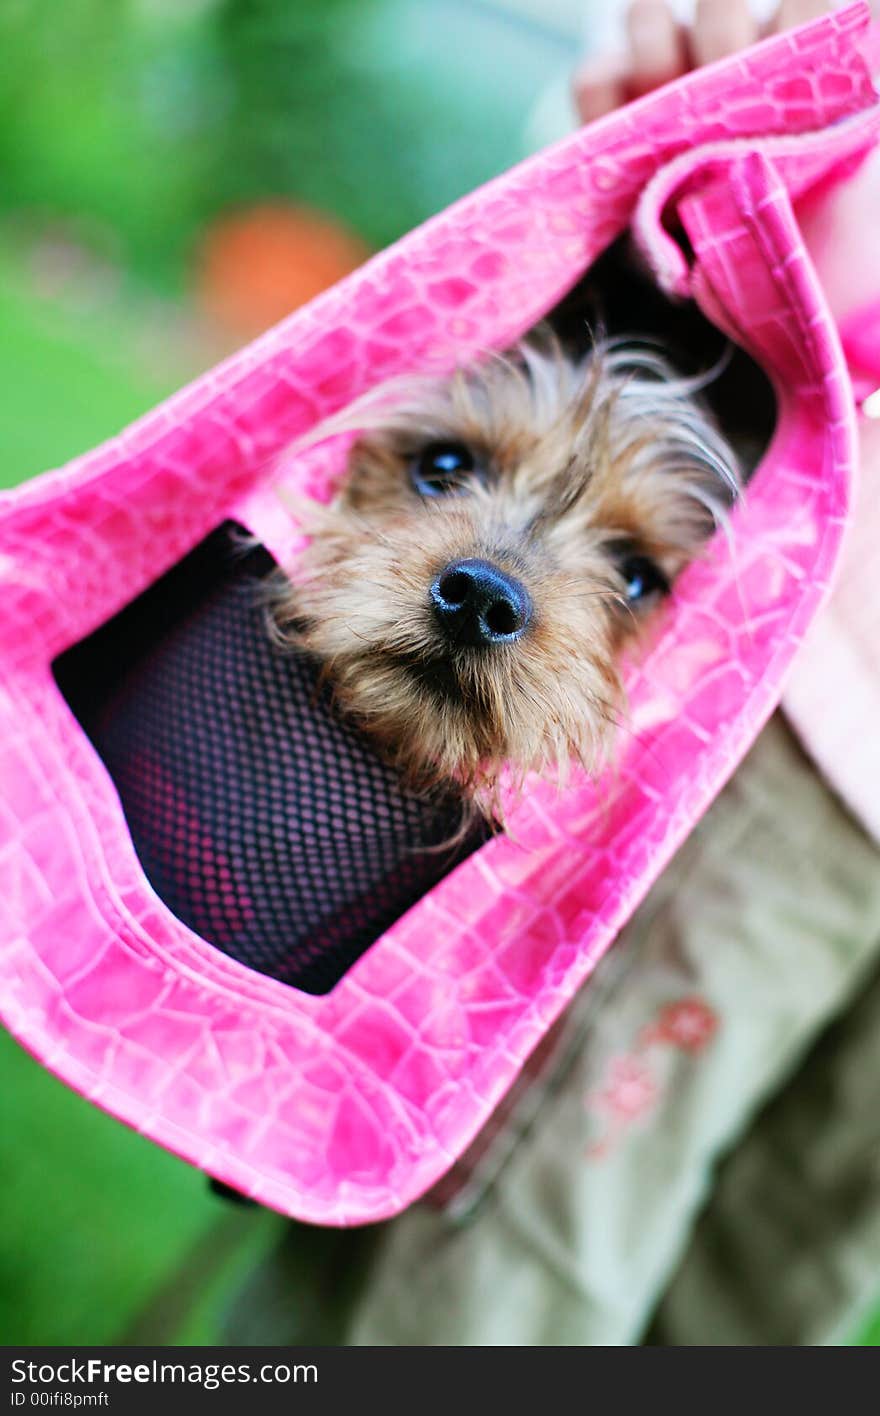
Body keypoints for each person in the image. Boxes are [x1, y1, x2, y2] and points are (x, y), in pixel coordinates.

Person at [224, 0, 880, 1345]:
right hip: (792, 688)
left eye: (622, 568)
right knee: (503, 1284)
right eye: (446, 472)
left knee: (765, 1304)